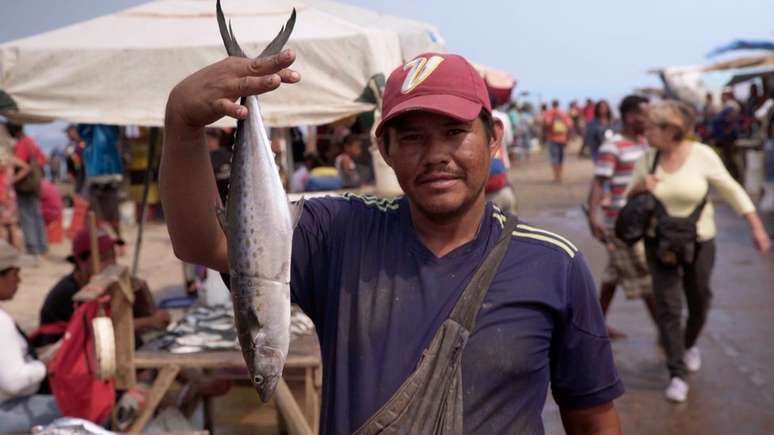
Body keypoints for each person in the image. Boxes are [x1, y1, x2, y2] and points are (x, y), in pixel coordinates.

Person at [161, 49, 623, 434]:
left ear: (494, 137)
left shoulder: (553, 264)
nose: (437, 155)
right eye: (414, 138)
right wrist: (182, 126)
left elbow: (592, 415)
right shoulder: (340, 234)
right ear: (385, 149)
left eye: (456, 133)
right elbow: (210, 245)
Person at [627, 100, 770, 403]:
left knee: (700, 300)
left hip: (700, 240)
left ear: (672, 130)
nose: (646, 131)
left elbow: (732, 189)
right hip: (659, 242)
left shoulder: (703, 155)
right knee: (668, 306)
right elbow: (629, 197)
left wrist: (756, 226)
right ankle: (676, 372)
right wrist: (640, 186)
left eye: (652, 126)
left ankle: (688, 344)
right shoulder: (648, 159)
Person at [586, 95, 657, 339]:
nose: (648, 119)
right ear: (630, 117)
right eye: (644, 114)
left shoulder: (644, 144)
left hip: (642, 221)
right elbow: (599, 182)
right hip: (621, 224)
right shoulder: (613, 146)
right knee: (645, 277)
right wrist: (593, 216)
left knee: (612, 276)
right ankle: (668, 335)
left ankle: (595, 326)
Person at [34, 228, 170, 348]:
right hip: (69, 361)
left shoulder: (105, 282)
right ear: (81, 261)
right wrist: (150, 322)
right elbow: (103, 331)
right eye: (104, 258)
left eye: (113, 256)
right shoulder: (69, 292)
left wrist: (141, 293)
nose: (111, 263)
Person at [0, 241, 60, 431]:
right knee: (78, 412)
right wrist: (44, 365)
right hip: (5, 410)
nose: (19, 280)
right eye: (14, 274)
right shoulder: (1, 322)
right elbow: (13, 381)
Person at [77, 124, 125, 243]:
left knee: (112, 219)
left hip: (109, 183)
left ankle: (117, 241)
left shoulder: (109, 129)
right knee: (98, 219)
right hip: (97, 183)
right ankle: (104, 243)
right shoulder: (89, 136)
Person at [6, 123, 48, 257]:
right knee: (36, 215)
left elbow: (23, 165)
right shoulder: (31, 141)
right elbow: (42, 160)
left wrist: (11, 180)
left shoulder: (22, 143)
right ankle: (42, 247)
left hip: (26, 187)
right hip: (35, 184)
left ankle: (33, 248)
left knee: (27, 217)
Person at [0, 145, 29, 251]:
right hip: (10, 195)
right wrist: (13, 179)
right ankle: (17, 252)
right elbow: (26, 167)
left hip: (2, 195)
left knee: (2, 227)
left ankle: (4, 254)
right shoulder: (10, 160)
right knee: (13, 225)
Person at [542, 100, 573, 182]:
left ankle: (556, 176)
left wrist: (544, 135)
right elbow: (569, 125)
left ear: (552, 104)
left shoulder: (549, 113)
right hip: (563, 138)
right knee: (561, 158)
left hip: (552, 138)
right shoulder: (563, 113)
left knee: (554, 158)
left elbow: (546, 124)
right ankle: (560, 175)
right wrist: (568, 138)